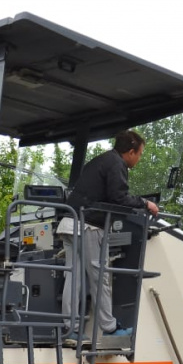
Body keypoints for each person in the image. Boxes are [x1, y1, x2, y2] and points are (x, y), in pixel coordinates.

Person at [64, 130, 158, 338]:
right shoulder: (117, 164)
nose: (139, 159)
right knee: (101, 278)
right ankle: (109, 328)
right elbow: (119, 197)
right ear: (131, 152)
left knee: (74, 278)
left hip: (70, 222)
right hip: (89, 225)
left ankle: (71, 328)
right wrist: (145, 204)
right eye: (140, 154)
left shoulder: (100, 161)